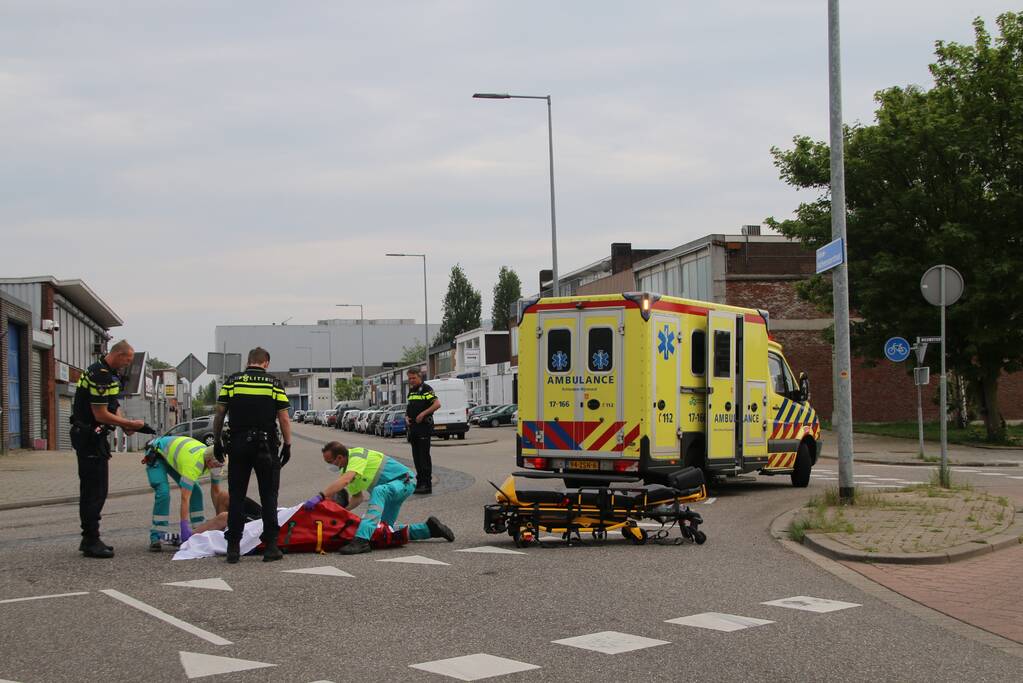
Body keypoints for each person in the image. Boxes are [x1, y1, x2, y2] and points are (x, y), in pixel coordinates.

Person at [213, 347, 292, 564]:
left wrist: (217, 440)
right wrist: (287, 445)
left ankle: (233, 547)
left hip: (238, 444)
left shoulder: (232, 381)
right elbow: (284, 418)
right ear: (265, 363)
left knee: (236, 495)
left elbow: (220, 412)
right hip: (266, 445)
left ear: (249, 361)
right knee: (269, 496)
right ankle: (271, 547)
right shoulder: (274, 383)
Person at [306, 441, 454, 555]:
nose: (331, 464)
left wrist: (320, 497)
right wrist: (342, 512)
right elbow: (357, 498)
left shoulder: (356, 456)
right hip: (392, 490)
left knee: (378, 491)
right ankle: (429, 529)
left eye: (329, 461)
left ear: (339, 457)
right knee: (382, 533)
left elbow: (345, 480)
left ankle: (362, 540)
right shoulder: (346, 470)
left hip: (404, 481)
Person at [70, 340, 145, 558]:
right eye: (127, 360)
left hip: (95, 438)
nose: (127, 365)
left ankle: (90, 537)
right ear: (118, 354)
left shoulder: (108, 373)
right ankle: (91, 539)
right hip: (88, 438)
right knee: (94, 491)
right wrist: (129, 425)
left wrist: (125, 424)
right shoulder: (100, 375)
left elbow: (114, 404)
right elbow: (100, 413)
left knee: (99, 489)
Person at [143, 435, 228, 552]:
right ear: (208, 461)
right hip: (156, 453)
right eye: (215, 465)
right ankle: (156, 536)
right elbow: (185, 498)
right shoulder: (193, 464)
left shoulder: (217, 461)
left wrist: (219, 522)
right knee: (163, 492)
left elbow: (216, 491)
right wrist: (184, 528)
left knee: (196, 491)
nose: (217, 468)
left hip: (173, 456)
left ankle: (198, 530)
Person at [405, 368, 440, 494]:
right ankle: (420, 483)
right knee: (416, 457)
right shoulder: (411, 391)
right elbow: (409, 407)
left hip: (423, 427)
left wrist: (423, 414)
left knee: (424, 456)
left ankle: (427, 484)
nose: (411, 380)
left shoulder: (426, 389)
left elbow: (436, 404)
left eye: (413, 378)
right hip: (413, 428)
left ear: (420, 377)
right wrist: (406, 417)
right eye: (409, 378)